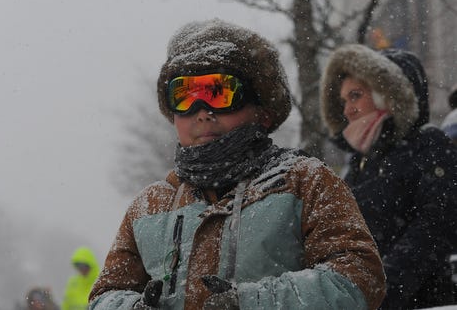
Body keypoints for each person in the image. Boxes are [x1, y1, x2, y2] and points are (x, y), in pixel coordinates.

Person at [89, 19, 386, 310]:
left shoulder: (305, 183)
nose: (202, 112)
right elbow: (105, 295)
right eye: (185, 95)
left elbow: (357, 278)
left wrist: (250, 303)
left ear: (263, 111)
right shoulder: (150, 205)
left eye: (219, 93)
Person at [320, 44, 457, 309]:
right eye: (344, 100)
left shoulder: (429, 146)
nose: (347, 109)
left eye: (355, 96)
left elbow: (432, 231)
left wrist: (377, 292)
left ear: (388, 96)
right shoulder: (362, 162)